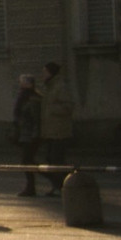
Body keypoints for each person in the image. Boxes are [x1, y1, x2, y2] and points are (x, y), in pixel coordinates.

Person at [40, 62, 77, 193]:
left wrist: (52, 109)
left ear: (51, 73)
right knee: (51, 159)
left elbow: (68, 106)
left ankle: (66, 185)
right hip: (50, 131)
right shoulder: (49, 87)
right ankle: (58, 185)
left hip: (60, 131)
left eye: (45, 72)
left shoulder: (60, 87)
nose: (42, 75)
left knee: (57, 160)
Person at [13, 72, 45, 195]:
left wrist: (35, 135)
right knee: (28, 161)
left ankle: (52, 178)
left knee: (27, 161)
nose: (20, 84)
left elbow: (36, 119)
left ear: (29, 84)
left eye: (22, 82)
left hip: (31, 135)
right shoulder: (23, 97)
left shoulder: (33, 98)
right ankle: (32, 186)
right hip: (25, 133)